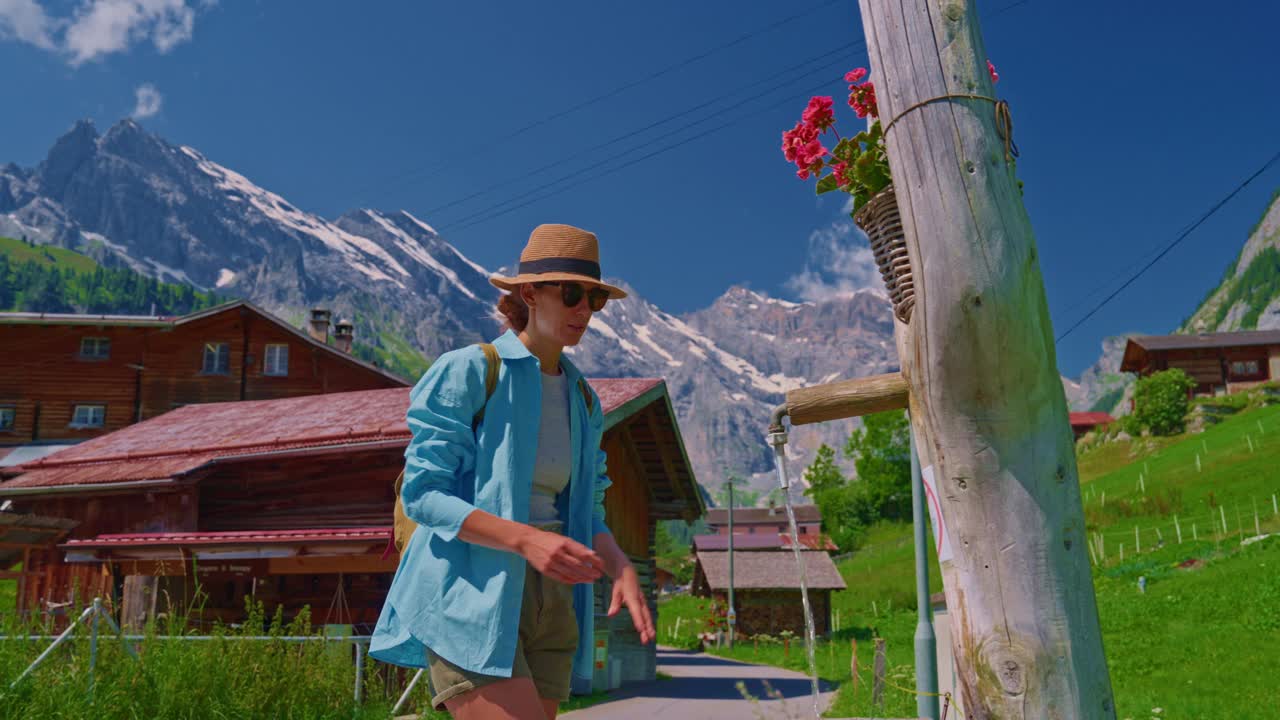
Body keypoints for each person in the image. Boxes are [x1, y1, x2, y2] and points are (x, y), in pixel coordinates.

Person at [370, 223, 655, 720]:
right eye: (572, 294)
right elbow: (424, 495)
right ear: (530, 293)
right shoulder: (471, 370)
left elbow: (588, 509)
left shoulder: (584, 400)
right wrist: (527, 540)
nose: (584, 310)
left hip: (553, 601)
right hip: (470, 592)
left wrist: (621, 565)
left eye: (595, 299)